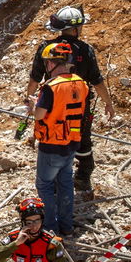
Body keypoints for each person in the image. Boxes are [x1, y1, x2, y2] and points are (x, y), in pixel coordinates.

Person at [28, 7, 116, 192]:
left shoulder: (47, 48)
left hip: (52, 104)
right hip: (79, 106)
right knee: (82, 138)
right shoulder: (85, 50)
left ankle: (52, 179)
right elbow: (97, 81)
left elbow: (35, 77)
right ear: (76, 29)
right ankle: (83, 175)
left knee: (53, 136)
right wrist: (108, 103)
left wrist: (28, 99)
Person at [32, 43, 87, 237]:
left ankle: (50, 228)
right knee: (65, 184)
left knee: (45, 185)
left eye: (47, 62)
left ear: (52, 63)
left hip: (52, 143)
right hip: (72, 142)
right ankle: (67, 226)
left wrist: (32, 105)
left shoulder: (51, 87)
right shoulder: (81, 82)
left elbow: (39, 115)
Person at [0, 197, 71, 262]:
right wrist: (16, 244)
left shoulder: (51, 244)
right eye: (29, 222)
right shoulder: (13, 238)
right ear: (23, 222)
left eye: (37, 220)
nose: (34, 226)